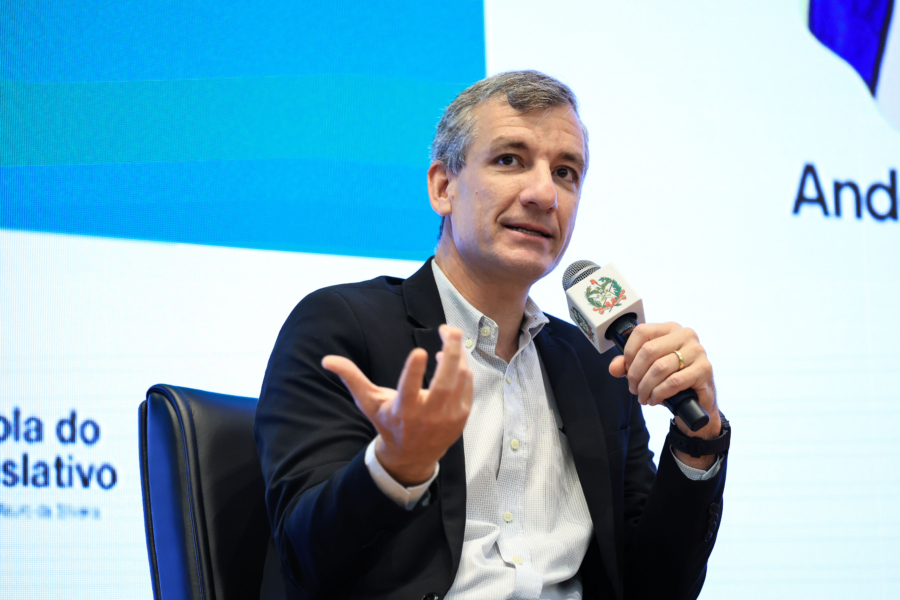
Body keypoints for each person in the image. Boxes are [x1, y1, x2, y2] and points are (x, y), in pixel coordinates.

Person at [255, 71, 728, 600]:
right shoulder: (342, 327)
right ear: (443, 188)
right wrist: (395, 468)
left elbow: (653, 589)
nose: (544, 194)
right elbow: (304, 561)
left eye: (566, 173)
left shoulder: (597, 365)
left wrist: (699, 440)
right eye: (509, 160)